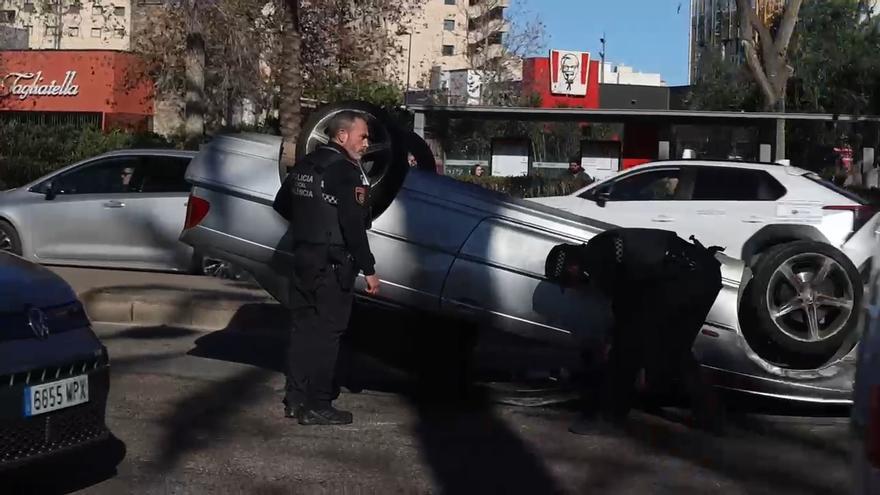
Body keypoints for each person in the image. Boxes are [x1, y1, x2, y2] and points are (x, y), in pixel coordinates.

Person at [545, 228, 725, 435]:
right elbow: (630, 297)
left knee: (628, 347)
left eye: (568, 281)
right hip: (699, 273)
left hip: (688, 275)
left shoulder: (599, 257)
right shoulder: (600, 250)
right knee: (673, 349)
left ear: (572, 267)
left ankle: (609, 417)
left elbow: (628, 305)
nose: (573, 287)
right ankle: (711, 416)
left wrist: (615, 342)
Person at [272, 111, 381, 426]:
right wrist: (369, 268)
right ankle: (318, 403)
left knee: (302, 330)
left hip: (304, 257)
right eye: (363, 136)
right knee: (328, 334)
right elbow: (353, 225)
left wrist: (311, 223)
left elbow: (281, 204)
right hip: (333, 263)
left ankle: (295, 399)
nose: (366, 143)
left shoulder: (306, 165)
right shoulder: (346, 172)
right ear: (342, 135)